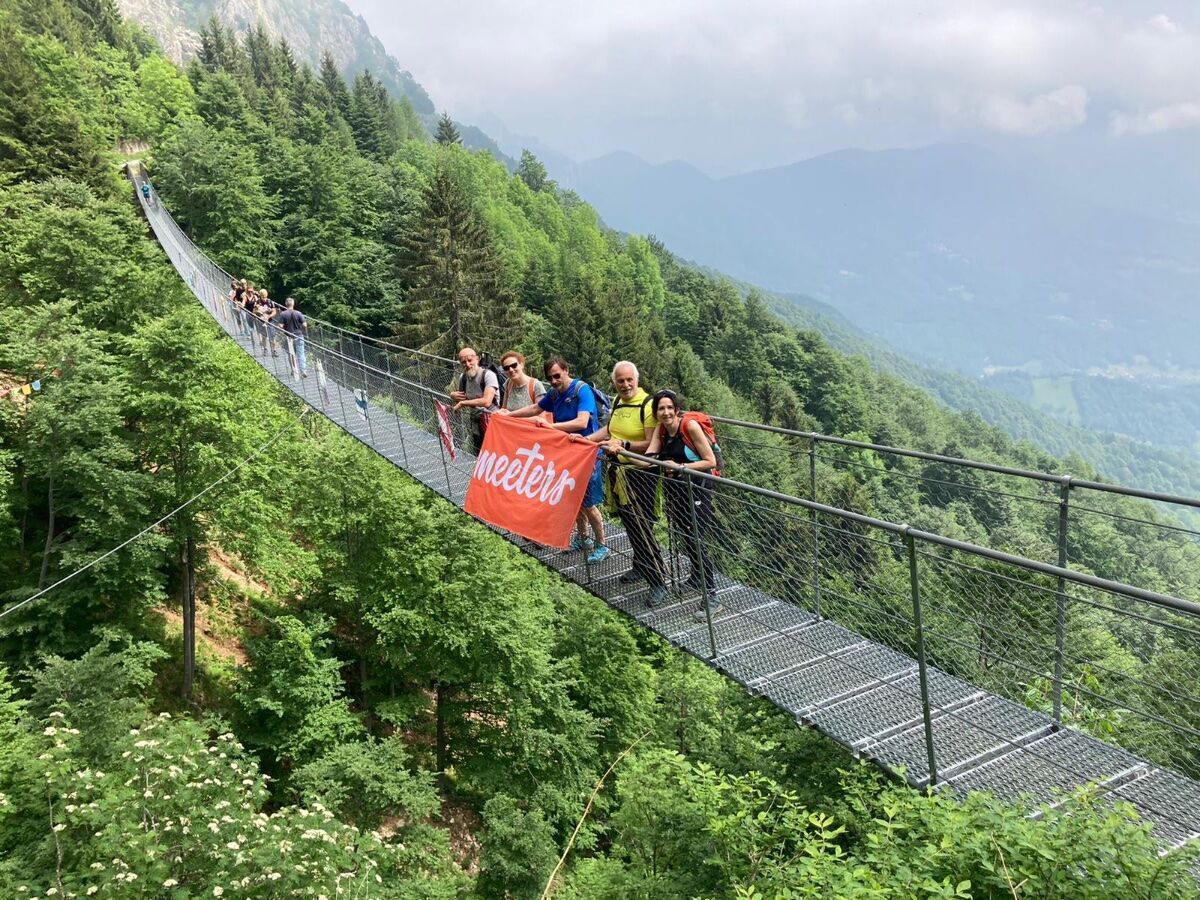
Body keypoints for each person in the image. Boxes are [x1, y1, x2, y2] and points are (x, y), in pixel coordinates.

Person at [500, 356, 608, 563]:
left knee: (588, 502)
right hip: (567, 452)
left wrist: (550, 427)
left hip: (587, 453)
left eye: (557, 376)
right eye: (550, 378)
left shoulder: (581, 390)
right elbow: (536, 408)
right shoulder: (554, 393)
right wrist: (509, 416)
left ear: (567, 370)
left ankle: (602, 544)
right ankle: (583, 537)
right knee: (570, 497)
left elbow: (581, 421)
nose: (554, 381)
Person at [594, 361, 667, 606]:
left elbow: (650, 443)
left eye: (629, 380)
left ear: (637, 379)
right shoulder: (617, 401)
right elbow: (609, 431)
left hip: (641, 475)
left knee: (641, 527)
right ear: (614, 382)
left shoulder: (648, 405)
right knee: (631, 524)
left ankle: (658, 581)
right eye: (620, 381)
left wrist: (623, 445)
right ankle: (640, 566)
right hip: (619, 472)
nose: (625, 385)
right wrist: (585, 439)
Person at [644, 390, 720, 622]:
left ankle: (712, 595)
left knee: (696, 537)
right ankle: (697, 577)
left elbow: (711, 461)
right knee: (687, 536)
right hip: (677, 491)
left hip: (699, 488)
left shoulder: (690, 427)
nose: (665, 412)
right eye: (661, 408)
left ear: (676, 409)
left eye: (669, 407)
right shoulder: (662, 430)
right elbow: (649, 457)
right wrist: (620, 448)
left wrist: (679, 467)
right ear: (656, 413)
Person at [449, 346, 499, 454]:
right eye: (463, 362)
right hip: (476, 423)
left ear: (477, 359)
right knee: (479, 454)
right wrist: (453, 395)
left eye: (470, 360)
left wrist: (462, 403)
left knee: (493, 454)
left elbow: (487, 401)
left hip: (492, 424)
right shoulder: (463, 377)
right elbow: (462, 398)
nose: (467, 364)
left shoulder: (488, 375)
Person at [276, 297, 308, 377]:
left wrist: (282, 326)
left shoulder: (283, 314)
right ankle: (303, 370)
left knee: (291, 354)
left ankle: (294, 370)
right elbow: (305, 325)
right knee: (301, 354)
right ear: (293, 304)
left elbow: (280, 325)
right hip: (299, 336)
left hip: (289, 337)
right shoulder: (298, 313)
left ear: (286, 304)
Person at [251, 288, 277, 356]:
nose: (265, 298)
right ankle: (265, 349)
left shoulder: (270, 302)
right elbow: (253, 312)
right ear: (260, 296)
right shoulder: (257, 302)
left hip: (270, 321)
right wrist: (259, 312)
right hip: (261, 321)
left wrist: (268, 316)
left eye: (266, 296)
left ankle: (274, 350)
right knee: (263, 336)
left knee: (273, 336)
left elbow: (274, 312)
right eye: (263, 297)